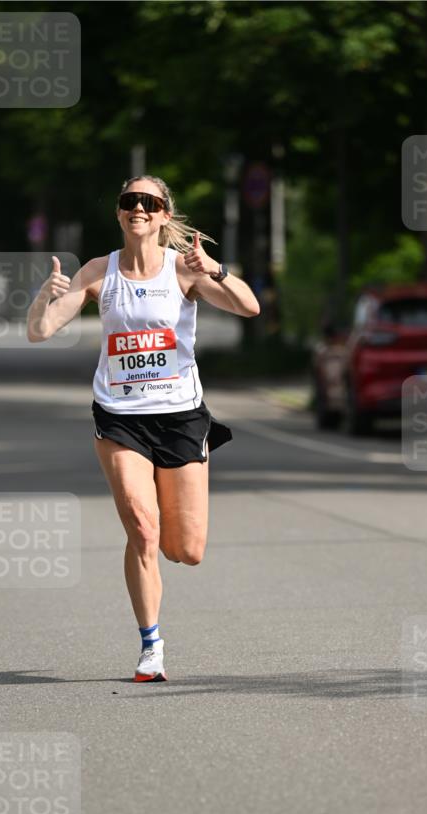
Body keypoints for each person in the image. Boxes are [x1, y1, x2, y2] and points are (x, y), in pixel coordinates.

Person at [27, 175, 260, 682]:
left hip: (180, 417)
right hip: (119, 418)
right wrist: (44, 296)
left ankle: (160, 566)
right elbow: (39, 330)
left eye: (148, 202)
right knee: (141, 524)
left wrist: (216, 269)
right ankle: (150, 645)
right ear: (119, 213)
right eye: (129, 201)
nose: (138, 208)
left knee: (186, 550)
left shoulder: (183, 270)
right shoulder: (97, 271)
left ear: (162, 215)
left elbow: (249, 306)